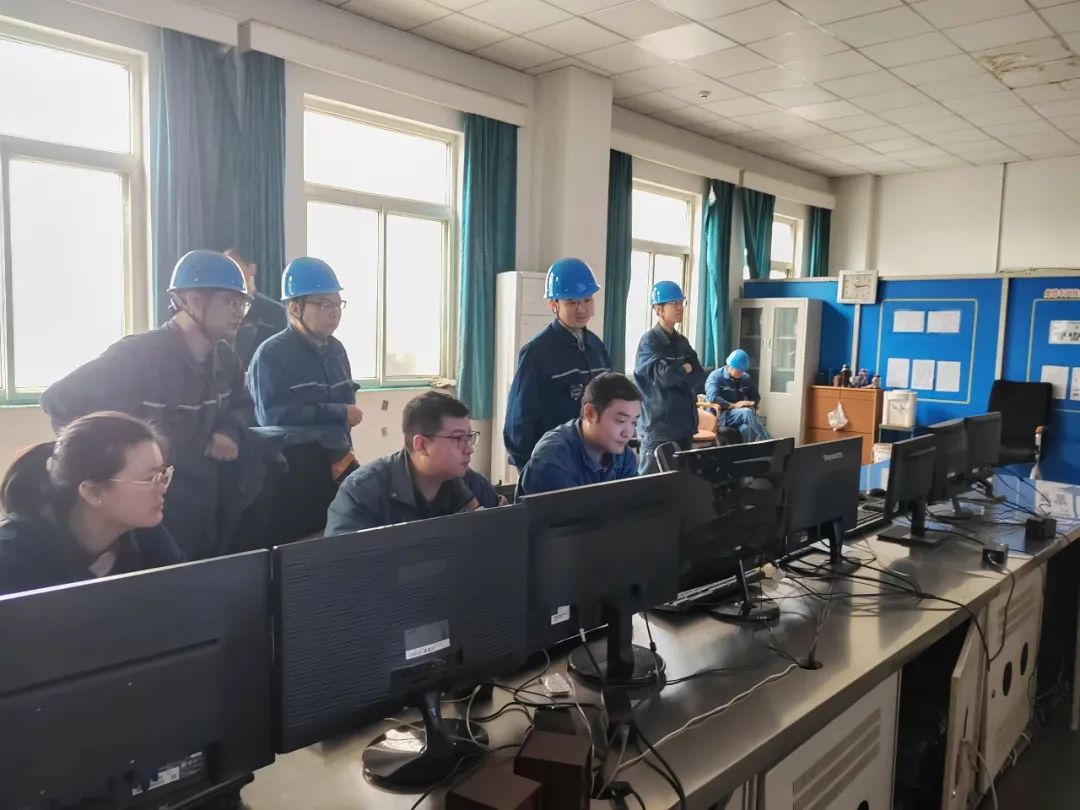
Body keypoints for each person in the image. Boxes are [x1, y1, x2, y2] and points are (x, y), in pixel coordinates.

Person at [41, 250, 271, 560]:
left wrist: (229, 429)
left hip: (206, 501)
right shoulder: (137, 356)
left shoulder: (225, 359)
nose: (238, 312)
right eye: (229, 301)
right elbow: (59, 400)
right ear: (192, 300)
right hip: (153, 511)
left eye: (242, 303)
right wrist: (102, 463)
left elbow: (242, 403)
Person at [0, 412, 184, 596]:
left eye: (163, 475)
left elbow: (183, 596)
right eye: (150, 479)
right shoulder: (12, 557)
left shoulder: (145, 531)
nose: (162, 488)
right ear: (92, 491)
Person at [325, 391, 500, 535]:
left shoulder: (475, 485)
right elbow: (340, 562)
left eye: (469, 437)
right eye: (458, 438)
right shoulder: (361, 493)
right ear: (421, 445)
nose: (469, 449)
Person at [249, 257, 362, 475]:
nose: (335, 312)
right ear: (294, 309)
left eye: (338, 304)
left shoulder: (337, 350)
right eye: (324, 304)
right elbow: (272, 417)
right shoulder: (271, 354)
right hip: (291, 471)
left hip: (338, 462)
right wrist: (339, 412)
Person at [503, 258, 611, 469]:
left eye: (587, 300)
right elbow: (519, 420)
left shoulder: (597, 347)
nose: (581, 309)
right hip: (554, 462)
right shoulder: (537, 352)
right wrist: (528, 468)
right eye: (571, 302)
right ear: (553, 305)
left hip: (594, 461)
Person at [517, 373, 639, 497]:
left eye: (634, 422)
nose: (628, 433)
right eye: (621, 421)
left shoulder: (624, 456)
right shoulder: (553, 459)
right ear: (590, 413)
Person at [633, 281, 706, 475]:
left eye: (681, 302)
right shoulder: (649, 342)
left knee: (682, 483)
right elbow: (663, 377)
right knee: (651, 484)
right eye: (673, 303)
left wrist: (678, 373)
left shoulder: (682, 342)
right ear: (658, 309)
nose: (679, 307)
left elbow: (698, 373)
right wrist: (683, 369)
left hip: (684, 425)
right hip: (659, 429)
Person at [227, 248, 287, 371]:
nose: (227, 273)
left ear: (251, 269)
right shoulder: (218, 311)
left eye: (233, 266)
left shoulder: (277, 312)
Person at [704, 349, 771, 442]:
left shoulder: (745, 378)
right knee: (746, 412)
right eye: (739, 370)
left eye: (743, 371)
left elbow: (756, 396)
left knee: (746, 429)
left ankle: (745, 451)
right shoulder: (715, 376)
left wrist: (752, 404)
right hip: (721, 414)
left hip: (739, 413)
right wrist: (733, 405)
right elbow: (712, 397)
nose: (741, 373)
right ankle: (768, 441)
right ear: (729, 366)